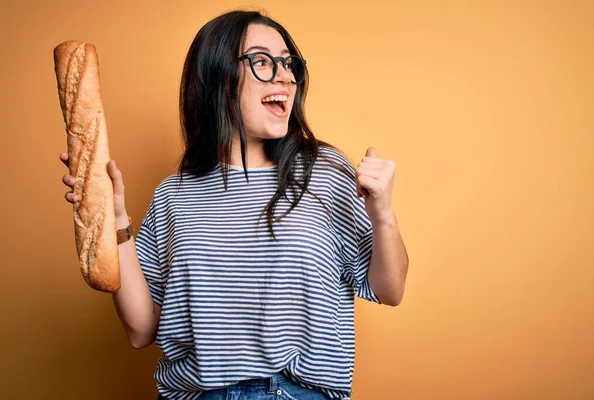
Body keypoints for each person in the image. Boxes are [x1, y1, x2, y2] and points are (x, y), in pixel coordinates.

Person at [60, 9, 409, 400]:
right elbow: (141, 330)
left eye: (288, 63)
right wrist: (116, 219)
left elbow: (389, 289)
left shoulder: (324, 172)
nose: (284, 75)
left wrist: (382, 215)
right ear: (217, 79)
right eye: (261, 61)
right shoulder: (174, 194)